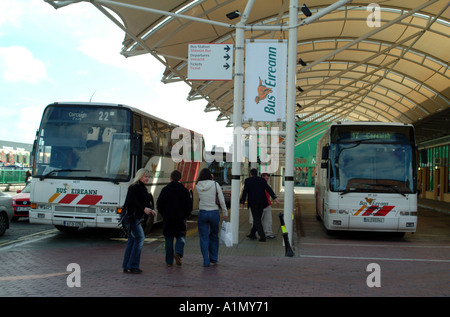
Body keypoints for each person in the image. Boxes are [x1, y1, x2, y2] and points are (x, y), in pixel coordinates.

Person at [122, 168, 156, 274]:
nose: (147, 179)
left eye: (148, 177)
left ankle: (127, 265)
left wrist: (149, 209)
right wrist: (144, 208)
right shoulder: (136, 187)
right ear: (140, 176)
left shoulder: (139, 187)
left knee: (132, 240)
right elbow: (132, 202)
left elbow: (143, 201)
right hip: (132, 217)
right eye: (146, 177)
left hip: (133, 217)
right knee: (140, 238)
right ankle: (133, 265)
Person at [157, 170, 192, 266]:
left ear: (170, 178)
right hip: (180, 219)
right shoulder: (184, 191)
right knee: (181, 237)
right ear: (180, 178)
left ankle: (169, 261)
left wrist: (163, 214)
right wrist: (186, 215)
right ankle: (178, 252)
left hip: (168, 219)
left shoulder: (165, 190)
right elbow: (189, 206)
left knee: (168, 239)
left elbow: (159, 204)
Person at [196, 168, 228, 267]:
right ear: (210, 175)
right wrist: (225, 212)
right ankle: (213, 258)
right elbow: (221, 199)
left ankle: (206, 260)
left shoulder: (198, 185)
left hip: (202, 213)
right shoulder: (215, 184)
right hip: (214, 212)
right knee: (214, 235)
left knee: (203, 237)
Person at [240, 168, 279, 242]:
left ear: (250, 174)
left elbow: (245, 192)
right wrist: (275, 198)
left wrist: (242, 202)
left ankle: (262, 236)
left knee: (257, 219)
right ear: (257, 173)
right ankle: (252, 234)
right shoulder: (262, 180)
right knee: (257, 218)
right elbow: (269, 189)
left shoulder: (248, 180)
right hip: (262, 203)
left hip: (253, 203)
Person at [261, 173, 276, 239]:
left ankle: (268, 232)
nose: (267, 179)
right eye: (266, 178)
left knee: (268, 220)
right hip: (261, 205)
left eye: (267, 178)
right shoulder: (260, 185)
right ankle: (256, 232)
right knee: (258, 220)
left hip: (267, 205)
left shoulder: (267, 185)